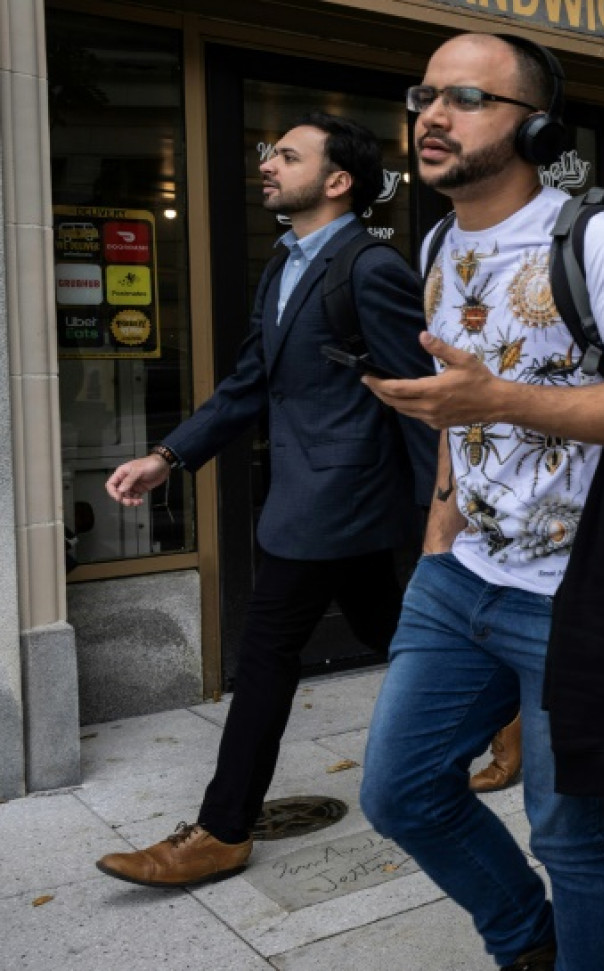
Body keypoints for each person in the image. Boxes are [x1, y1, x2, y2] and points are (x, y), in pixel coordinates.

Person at [358, 33, 604, 971]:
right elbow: (455, 409)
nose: (432, 114)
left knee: (573, 837)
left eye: (466, 98)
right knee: (400, 791)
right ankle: (527, 943)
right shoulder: (433, 240)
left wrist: (496, 399)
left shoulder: (598, 238)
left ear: (534, 127)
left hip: (577, 597)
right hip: (459, 579)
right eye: (425, 93)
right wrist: (439, 522)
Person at [96, 113, 436, 889]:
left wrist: (437, 513)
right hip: (308, 493)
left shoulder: (371, 267)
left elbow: (420, 399)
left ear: (338, 180)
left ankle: (222, 828)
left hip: (337, 497)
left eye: (287, 154)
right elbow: (251, 381)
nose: (268, 164)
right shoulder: (283, 260)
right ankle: (503, 717)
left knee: (265, 653)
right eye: (268, 152)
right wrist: (166, 455)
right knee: (391, 628)